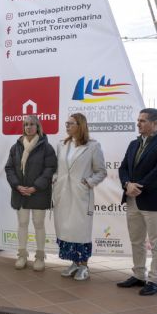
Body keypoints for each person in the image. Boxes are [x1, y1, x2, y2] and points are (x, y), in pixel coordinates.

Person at [117, 108, 157, 296]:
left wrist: (138, 186)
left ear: (155, 123)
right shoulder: (133, 143)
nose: (138, 123)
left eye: (143, 121)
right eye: (138, 120)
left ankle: (155, 280)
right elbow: (123, 167)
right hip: (132, 199)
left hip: (154, 201)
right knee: (136, 241)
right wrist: (127, 184)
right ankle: (139, 275)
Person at [52, 113, 107, 281]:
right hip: (63, 193)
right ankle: (74, 263)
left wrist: (88, 182)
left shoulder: (93, 146)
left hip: (80, 195)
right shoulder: (62, 144)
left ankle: (84, 266)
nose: (67, 126)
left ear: (80, 125)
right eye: (66, 123)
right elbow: (58, 168)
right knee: (66, 231)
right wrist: (55, 179)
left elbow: (101, 171)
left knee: (80, 232)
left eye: (70, 123)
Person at [5, 115, 57, 271]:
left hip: (39, 193)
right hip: (20, 192)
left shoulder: (46, 147)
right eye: (26, 124)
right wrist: (17, 185)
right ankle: (22, 255)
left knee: (39, 224)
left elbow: (50, 169)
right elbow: (9, 168)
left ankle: (40, 257)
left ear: (38, 127)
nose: (28, 127)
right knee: (22, 224)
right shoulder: (16, 147)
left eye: (32, 124)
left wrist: (35, 187)